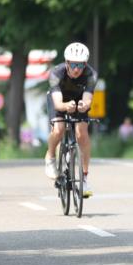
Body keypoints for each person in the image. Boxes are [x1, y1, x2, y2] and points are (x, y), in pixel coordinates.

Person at [44, 42, 97, 197]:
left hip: (78, 100)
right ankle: (51, 155)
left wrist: (83, 106)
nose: (76, 69)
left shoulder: (91, 75)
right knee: (58, 129)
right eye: (73, 64)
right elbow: (58, 104)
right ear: (66, 62)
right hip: (60, 100)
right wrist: (67, 106)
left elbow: (88, 99)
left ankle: (85, 177)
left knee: (82, 133)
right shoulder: (56, 73)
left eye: (80, 66)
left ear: (85, 65)